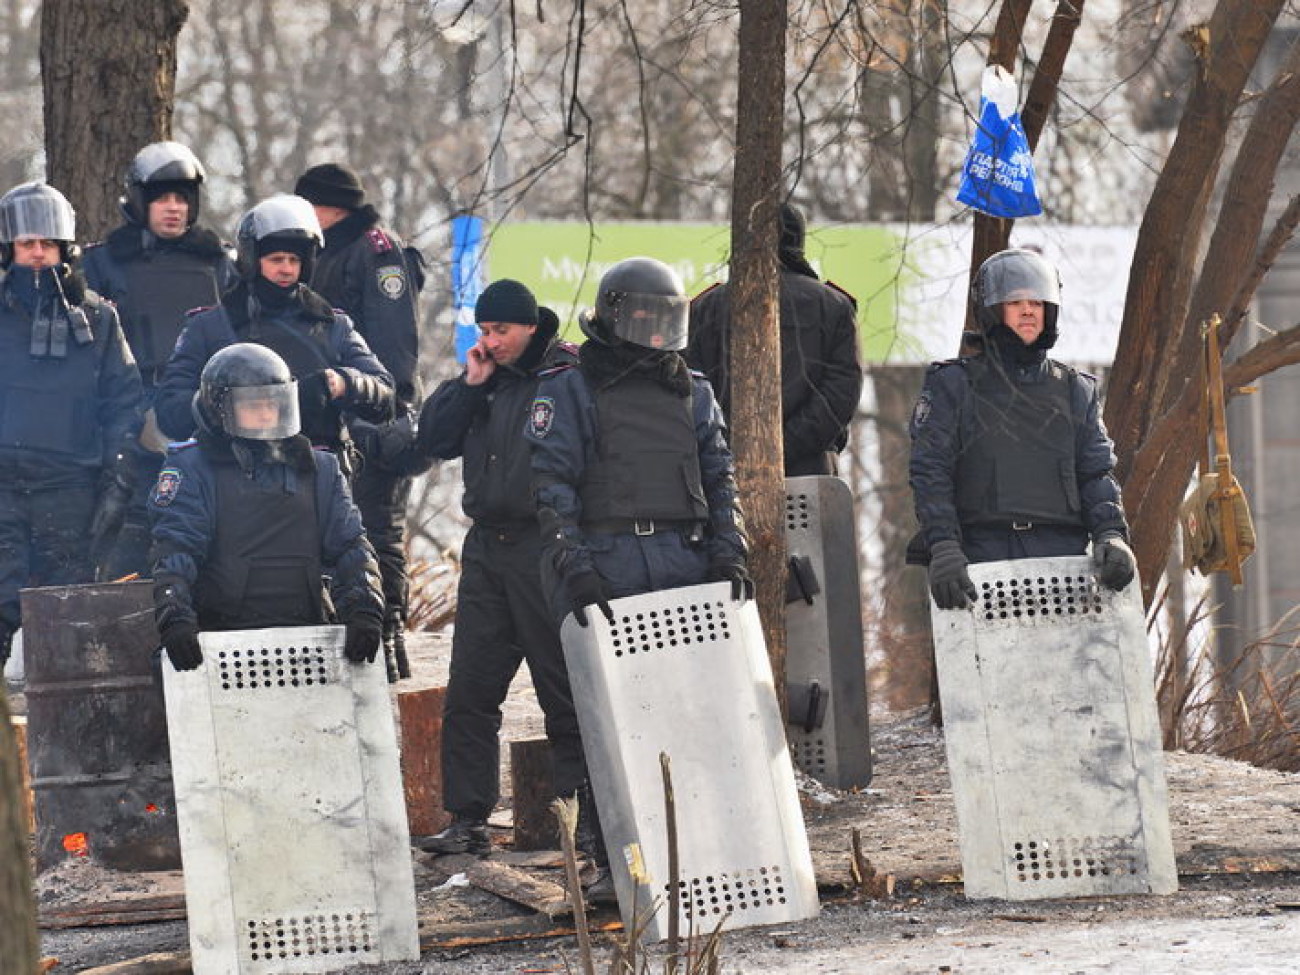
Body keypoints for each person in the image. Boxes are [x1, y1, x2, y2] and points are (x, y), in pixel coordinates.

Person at [411, 280, 588, 865]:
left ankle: (582, 827)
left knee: (562, 696)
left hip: (545, 547)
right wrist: (470, 384)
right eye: (485, 331)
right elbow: (431, 439)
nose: (491, 341)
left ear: (531, 326)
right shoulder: (483, 380)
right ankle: (467, 820)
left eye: (501, 331)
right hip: (487, 548)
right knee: (470, 693)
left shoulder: (565, 376)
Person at [908, 248, 1135, 610]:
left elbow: (1095, 474)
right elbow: (931, 472)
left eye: (1037, 302)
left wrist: (1111, 534)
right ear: (993, 310)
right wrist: (943, 545)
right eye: (1015, 302)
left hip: (1063, 561)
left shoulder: (1075, 389)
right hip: (980, 560)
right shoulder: (953, 384)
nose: (1029, 310)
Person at [149, 343, 384, 671]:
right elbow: (176, 550)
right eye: (253, 406)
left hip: (308, 641)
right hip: (220, 644)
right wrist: (175, 616)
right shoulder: (192, 467)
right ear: (220, 409)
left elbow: (351, 547)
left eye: (273, 405)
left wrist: (364, 607)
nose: (265, 415)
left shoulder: (319, 468)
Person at [0, 181, 143, 666]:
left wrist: (118, 481)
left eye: (48, 244)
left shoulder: (98, 319)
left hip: (71, 489)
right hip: (3, 486)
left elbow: (124, 402)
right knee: (2, 606)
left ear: (65, 247)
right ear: (10, 247)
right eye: (27, 244)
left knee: (67, 616)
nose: (38, 254)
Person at [293, 163, 426, 681]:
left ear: (329, 207)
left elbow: (394, 347)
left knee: (377, 529)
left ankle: (389, 633)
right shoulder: (322, 252)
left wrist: (383, 416)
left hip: (375, 416)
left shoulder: (375, 252)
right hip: (329, 422)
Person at [81, 141, 238, 579]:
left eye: (182, 199)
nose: (173, 208)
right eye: (163, 198)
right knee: (131, 527)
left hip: (206, 412)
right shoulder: (101, 263)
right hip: (129, 415)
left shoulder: (221, 265)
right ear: (140, 201)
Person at [153, 194, 394, 470]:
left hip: (317, 479)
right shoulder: (210, 327)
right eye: (276, 258)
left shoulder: (331, 325)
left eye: (294, 259)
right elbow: (170, 409)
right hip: (232, 474)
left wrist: (341, 383)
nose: (286, 269)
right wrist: (226, 404)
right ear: (253, 259)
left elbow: (385, 393)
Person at [688, 202, 863, 476]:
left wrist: (737, 444)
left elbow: (695, 389)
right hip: (809, 468)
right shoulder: (833, 305)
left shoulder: (706, 306)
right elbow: (841, 393)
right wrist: (787, 444)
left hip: (725, 468)